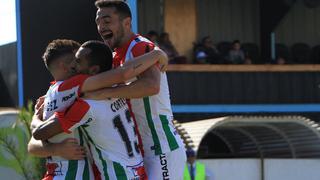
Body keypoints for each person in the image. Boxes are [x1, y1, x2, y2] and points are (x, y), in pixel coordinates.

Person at [28, 39, 168, 179]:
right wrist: (155, 54)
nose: (74, 66)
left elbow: (39, 134)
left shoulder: (83, 103)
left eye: (78, 61)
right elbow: (123, 73)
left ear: (94, 69)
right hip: (137, 172)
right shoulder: (118, 90)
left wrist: (36, 117)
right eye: (74, 61)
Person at [94, 1, 186, 179]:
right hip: (138, 151)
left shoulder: (139, 46)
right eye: (98, 21)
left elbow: (151, 85)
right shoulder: (114, 55)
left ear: (126, 23)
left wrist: (105, 93)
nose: (100, 26)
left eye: (106, 21)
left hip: (161, 148)